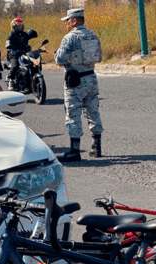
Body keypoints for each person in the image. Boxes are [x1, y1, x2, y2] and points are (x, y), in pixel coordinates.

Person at [54, 8, 104, 162]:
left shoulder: (70, 38)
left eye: (67, 21)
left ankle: (74, 150)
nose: (66, 24)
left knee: (73, 113)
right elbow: (100, 57)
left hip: (75, 80)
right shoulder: (93, 35)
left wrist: (56, 54)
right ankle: (97, 146)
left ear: (74, 21)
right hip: (91, 77)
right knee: (93, 111)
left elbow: (60, 60)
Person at [5, 17, 38, 90]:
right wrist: (12, 49)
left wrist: (32, 31)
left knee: (32, 63)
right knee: (15, 65)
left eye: (20, 26)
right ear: (13, 27)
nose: (19, 28)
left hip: (24, 53)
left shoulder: (24, 34)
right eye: (17, 26)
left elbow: (36, 35)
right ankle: (11, 80)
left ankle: (30, 81)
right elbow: (7, 45)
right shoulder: (11, 35)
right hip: (14, 54)